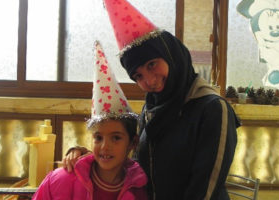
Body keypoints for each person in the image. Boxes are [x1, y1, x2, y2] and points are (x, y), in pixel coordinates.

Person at [64, 0, 241, 199]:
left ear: (170, 55)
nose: (149, 80)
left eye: (151, 64)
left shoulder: (213, 109)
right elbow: (133, 166)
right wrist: (86, 158)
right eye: (138, 76)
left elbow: (205, 188)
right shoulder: (152, 110)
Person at [32, 42, 148, 200]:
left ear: (133, 143)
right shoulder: (61, 180)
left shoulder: (139, 190)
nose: (105, 147)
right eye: (98, 138)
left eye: (116, 138)